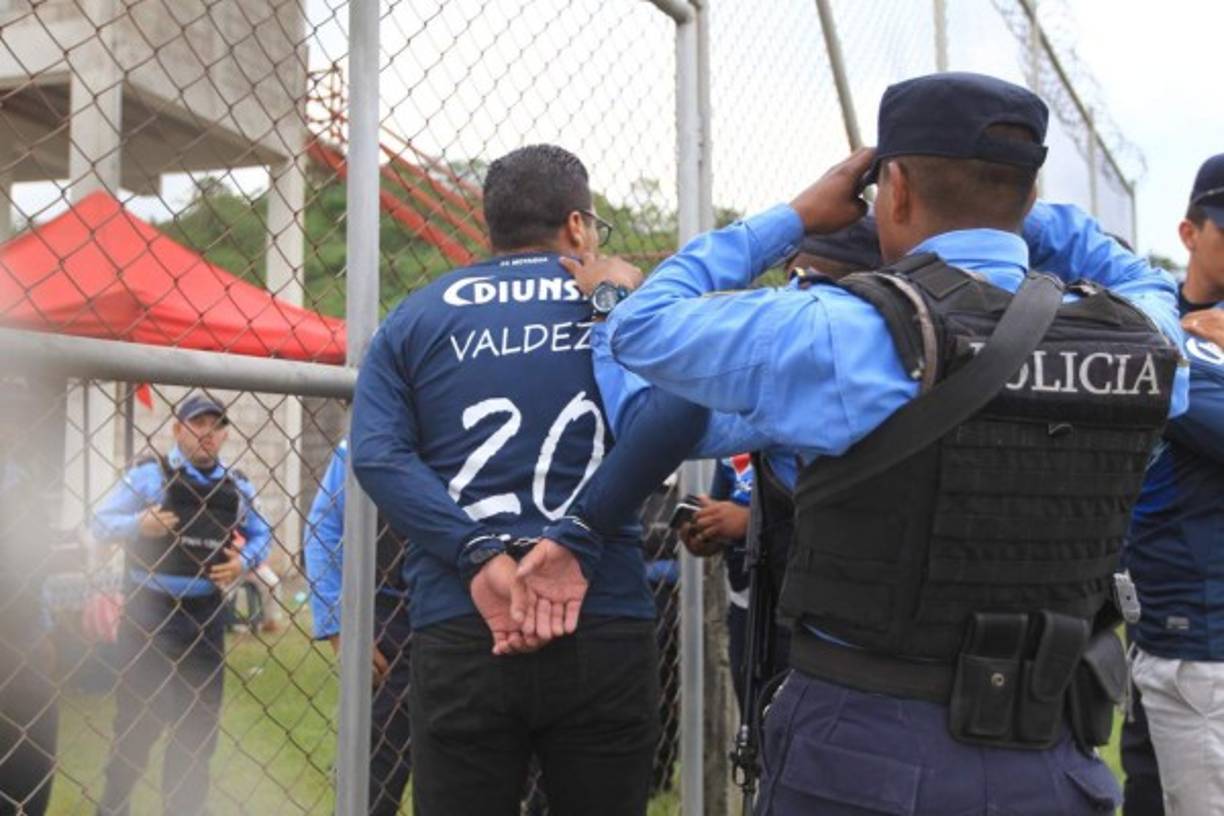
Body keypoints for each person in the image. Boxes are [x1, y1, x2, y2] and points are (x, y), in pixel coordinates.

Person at [565, 71, 1189, 815]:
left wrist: (793, 217)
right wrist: (1035, 221)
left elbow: (640, 332)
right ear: (1028, 196)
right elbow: (1142, 277)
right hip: (1051, 754)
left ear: (892, 188)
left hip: (867, 750)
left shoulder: (845, 333)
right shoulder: (1144, 343)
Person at [349, 144, 707, 816]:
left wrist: (477, 552)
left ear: (492, 226)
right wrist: (578, 532)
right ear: (578, 226)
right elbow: (682, 409)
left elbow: (376, 455)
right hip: (601, 610)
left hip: (465, 617)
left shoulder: (416, 316)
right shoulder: (615, 303)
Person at [91, 392, 271, 816]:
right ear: (177, 429)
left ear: (225, 434)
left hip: (204, 617)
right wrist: (139, 524)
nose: (207, 434)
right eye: (197, 424)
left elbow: (264, 535)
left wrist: (243, 560)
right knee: (138, 723)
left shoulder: (236, 486)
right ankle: (113, 806)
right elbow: (98, 523)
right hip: (149, 612)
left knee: (198, 727)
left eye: (216, 426)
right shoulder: (149, 476)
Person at [1125, 153, 1224, 816]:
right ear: (1190, 233)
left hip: (1208, 635)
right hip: (1147, 618)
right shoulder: (1145, 318)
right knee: (1144, 792)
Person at [302, 439, 412, 815]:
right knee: (372, 783)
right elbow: (323, 531)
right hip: (386, 620)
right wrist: (341, 629)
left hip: (460, 618)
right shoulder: (362, 439)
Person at [0, 378, 59, 816]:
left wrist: (43, 627)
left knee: (33, 769)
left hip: (23, 640)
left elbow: (36, 564)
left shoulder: (24, 479)